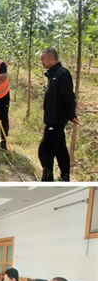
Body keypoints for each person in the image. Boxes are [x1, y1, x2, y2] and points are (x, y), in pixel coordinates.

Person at [38, 47, 80, 182]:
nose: (41, 62)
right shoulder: (53, 74)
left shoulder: (61, 74)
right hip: (53, 117)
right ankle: (65, 176)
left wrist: (72, 115)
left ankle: (47, 181)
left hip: (56, 120)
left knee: (44, 151)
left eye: (43, 58)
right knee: (60, 149)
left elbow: (68, 96)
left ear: (52, 59)